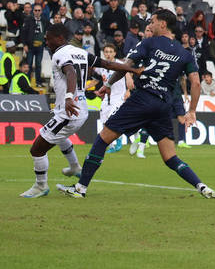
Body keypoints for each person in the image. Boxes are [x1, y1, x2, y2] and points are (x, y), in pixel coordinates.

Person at [57, 9, 215, 199]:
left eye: (152, 21)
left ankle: (80, 188)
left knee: (103, 139)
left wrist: (108, 84)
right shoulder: (184, 53)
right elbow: (196, 82)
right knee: (170, 157)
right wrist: (192, 111)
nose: (149, 25)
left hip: (142, 99)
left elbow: (126, 65)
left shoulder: (149, 42)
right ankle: (202, 186)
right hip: (163, 106)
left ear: (163, 24)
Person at [19, 24, 142, 198]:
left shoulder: (59, 54)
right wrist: (133, 70)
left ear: (60, 38)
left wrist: (69, 97)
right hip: (78, 109)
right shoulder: (81, 52)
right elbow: (108, 64)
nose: (46, 41)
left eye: (48, 38)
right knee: (60, 138)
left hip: (69, 111)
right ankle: (75, 166)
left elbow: (70, 73)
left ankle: (41, 186)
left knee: (37, 149)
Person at [94, 44, 134, 154]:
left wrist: (128, 91)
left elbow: (129, 78)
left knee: (112, 119)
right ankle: (111, 146)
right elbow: (97, 78)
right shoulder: (102, 66)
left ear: (115, 53)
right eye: (106, 52)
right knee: (104, 122)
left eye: (110, 52)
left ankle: (120, 140)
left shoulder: (121, 64)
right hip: (106, 99)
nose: (108, 54)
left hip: (118, 97)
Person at [22, 4, 49, 84]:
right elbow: (23, 33)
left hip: (40, 46)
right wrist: (24, 44)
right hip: (30, 46)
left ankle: (38, 82)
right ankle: (28, 81)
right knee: (29, 65)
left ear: (41, 11)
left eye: (39, 10)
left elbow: (48, 29)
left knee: (38, 64)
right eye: (36, 10)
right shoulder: (28, 20)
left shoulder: (44, 20)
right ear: (33, 11)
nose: (37, 12)